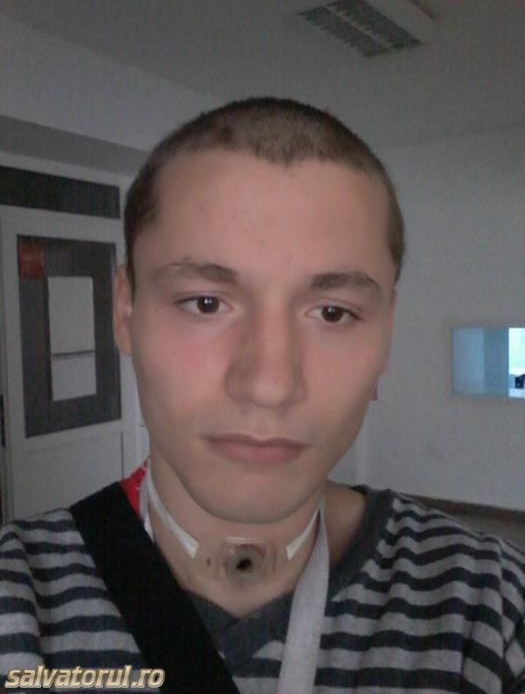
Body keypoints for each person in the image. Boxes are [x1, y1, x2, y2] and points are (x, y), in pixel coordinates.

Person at [0, 97, 524, 693]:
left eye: (333, 312)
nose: (269, 385)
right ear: (125, 312)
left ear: (386, 334)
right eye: (205, 303)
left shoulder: (490, 609)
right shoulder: (17, 601)